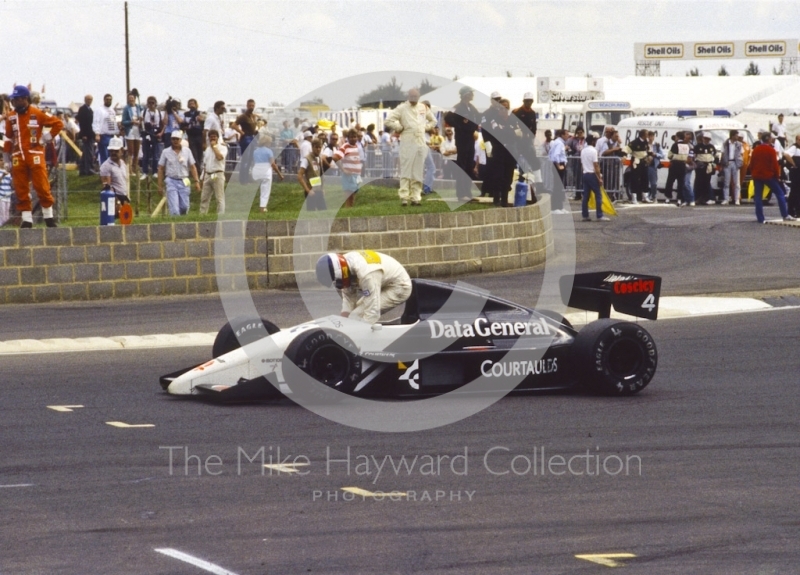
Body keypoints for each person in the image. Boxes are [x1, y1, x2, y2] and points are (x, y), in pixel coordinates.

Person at [3, 85, 63, 228]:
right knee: (21, 187)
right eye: (13, 100)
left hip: (35, 154)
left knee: (42, 185)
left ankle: (48, 217)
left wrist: (45, 138)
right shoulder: (11, 117)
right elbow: (8, 139)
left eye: (17, 100)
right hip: (18, 156)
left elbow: (58, 124)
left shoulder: (38, 113)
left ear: (25, 99)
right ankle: (27, 219)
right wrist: (6, 160)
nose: (15, 103)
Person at [315, 250, 412, 324]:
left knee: (357, 315)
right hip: (382, 281)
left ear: (340, 273)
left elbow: (372, 311)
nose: (338, 285)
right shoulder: (344, 265)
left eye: (337, 281)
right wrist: (342, 322)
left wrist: (359, 333)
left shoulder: (365, 274)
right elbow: (349, 300)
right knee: (354, 314)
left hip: (399, 286)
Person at [384, 88, 437, 207]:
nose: (413, 99)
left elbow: (433, 120)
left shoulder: (423, 107)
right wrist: (399, 127)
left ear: (419, 97)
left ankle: (416, 197)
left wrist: (425, 127)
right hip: (407, 140)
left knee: (418, 171)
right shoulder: (402, 108)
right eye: (411, 97)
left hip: (420, 140)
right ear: (408, 96)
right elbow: (388, 121)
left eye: (416, 97)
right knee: (406, 169)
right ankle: (404, 196)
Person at [444, 85, 480, 201]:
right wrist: (460, 126)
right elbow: (448, 117)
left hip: (470, 139)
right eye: (470, 93)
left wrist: (473, 126)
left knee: (469, 165)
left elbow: (478, 117)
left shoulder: (471, 107)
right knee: (462, 166)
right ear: (465, 94)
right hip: (462, 139)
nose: (472, 95)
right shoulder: (458, 107)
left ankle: (468, 192)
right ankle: (461, 193)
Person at [750, 131, 795, 223]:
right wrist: (777, 176)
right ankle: (784, 214)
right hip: (768, 176)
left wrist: (753, 173)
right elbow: (774, 165)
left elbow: (752, 163)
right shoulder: (771, 150)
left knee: (758, 196)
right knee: (780, 194)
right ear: (769, 139)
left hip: (757, 175)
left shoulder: (756, 149)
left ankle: (760, 218)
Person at [157, 130, 201, 216]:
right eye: (173, 139)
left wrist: (196, 181)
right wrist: (160, 185)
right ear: (171, 140)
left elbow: (192, 166)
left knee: (184, 207)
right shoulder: (165, 152)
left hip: (184, 180)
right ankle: (175, 224)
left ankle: (182, 222)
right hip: (171, 180)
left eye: (177, 139)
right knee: (174, 209)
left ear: (181, 140)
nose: (175, 141)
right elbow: (160, 168)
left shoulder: (187, 151)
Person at [251, 128, 284, 213]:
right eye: (269, 142)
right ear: (266, 142)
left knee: (260, 189)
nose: (270, 144)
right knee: (265, 191)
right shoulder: (269, 151)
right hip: (266, 171)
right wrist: (280, 174)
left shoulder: (255, 151)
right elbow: (273, 164)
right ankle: (262, 208)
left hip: (256, 171)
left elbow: (254, 162)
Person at [333, 129, 364, 208]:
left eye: (355, 137)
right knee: (348, 195)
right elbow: (335, 157)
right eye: (351, 137)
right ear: (348, 138)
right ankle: (347, 210)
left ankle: (351, 210)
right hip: (348, 175)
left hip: (356, 175)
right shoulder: (345, 146)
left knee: (353, 195)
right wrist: (343, 169)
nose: (353, 139)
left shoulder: (357, 146)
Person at [580, 134, 608, 222]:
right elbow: (595, 165)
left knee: (586, 196)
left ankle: (585, 215)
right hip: (592, 174)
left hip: (585, 173)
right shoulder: (594, 151)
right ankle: (599, 215)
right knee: (598, 195)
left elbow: (582, 164)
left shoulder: (583, 151)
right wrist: (599, 177)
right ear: (593, 141)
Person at [199, 129, 227, 215]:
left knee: (219, 198)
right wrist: (202, 178)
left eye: (214, 137)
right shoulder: (207, 150)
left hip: (217, 174)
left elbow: (219, 157)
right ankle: (202, 215)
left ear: (218, 138)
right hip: (208, 174)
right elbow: (205, 165)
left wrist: (214, 147)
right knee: (204, 198)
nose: (212, 138)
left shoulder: (223, 148)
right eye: (211, 137)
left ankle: (220, 215)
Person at [298, 138, 331, 211]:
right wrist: (307, 190)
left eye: (320, 147)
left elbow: (319, 174)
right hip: (311, 191)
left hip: (319, 190)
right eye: (316, 147)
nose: (318, 149)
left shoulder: (319, 158)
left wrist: (322, 188)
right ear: (312, 147)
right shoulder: (306, 159)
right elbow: (300, 175)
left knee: (323, 212)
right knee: (311, 213)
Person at [99, 136, 130, 207]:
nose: (113, 153)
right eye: (111, 150)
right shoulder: (106, 166)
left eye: (116, 151)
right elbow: (107, 187)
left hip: (124, 196)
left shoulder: (123, 163)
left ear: (121, 150)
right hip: (114, 198)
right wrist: (116, 202)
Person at [141, 96, 164, 180]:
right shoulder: (143, 112)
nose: (151, 105)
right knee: (145, 154)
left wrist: (161, 133)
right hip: (147, 133)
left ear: (155, 104)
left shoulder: (159, 113)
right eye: (149, 103)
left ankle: (155, 171)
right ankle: (145, 172)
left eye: (152, 103)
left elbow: (163, 124)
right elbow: (141, 123)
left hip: (156, 133)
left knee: (155, 154)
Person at [624, 129, 649, 204]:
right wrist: (624, 156)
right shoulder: (634, 142)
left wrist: (650, 156)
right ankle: (634, 198)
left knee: (645, 178)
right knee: (635, 179)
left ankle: (645, 196)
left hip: (643, 162)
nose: (647, 136)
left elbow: (647, 150)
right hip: (636, 162)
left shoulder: (645, 142)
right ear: (643, 135)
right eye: (647, 134)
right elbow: (626, 150)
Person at [121, 92, 143, 178]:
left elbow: (143, 115)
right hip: (130, 131)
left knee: (137, 151)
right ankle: (129, 170)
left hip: (138, 131)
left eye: (132, 98)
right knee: (131, 151)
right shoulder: (126, 109)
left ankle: (135, 169)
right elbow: (123, 121)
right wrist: (131, 122)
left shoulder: (139, 107)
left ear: (135, 99)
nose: (131, 100)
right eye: (129, 98)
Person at [92, 93, 118, 165]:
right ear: (104, 100)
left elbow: (113, 123)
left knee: (111, 155)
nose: (109, 101)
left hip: (111, 136)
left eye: (110, 100)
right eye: (107, 99)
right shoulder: (99, 110)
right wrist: (97, 133)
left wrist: (116, 132)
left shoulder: (112, 111)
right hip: (103, 135)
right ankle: (104, 172)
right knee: (104, 155)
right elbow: (96, 122)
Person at [547, 129, 569, 213]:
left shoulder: (558, 142)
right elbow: (555, 155)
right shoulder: (559, 143)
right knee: (557, 186)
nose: (568, 136)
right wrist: (558, 165)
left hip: (559, 164)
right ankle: (555, 207)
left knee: (559, 186)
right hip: (558, 164)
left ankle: (559, 207)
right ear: (562, 135)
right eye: (566, 134)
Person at [664, 132, 689, 206]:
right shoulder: (686, 145)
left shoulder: (675, 145)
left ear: (677, 137)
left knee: (670, 181)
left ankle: (668, 197)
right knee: (680, 182)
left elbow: (670, 156)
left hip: (675, 164)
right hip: (682, 165)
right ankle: (679, 199)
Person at [720, 129, 743, 206]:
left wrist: (739, 163)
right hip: (728, 163)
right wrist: (722, 163)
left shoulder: (739, 144)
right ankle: (726, 199)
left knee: (737, 182)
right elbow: (722, 154)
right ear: (732, 136)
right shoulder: (726, 143)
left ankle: (737, 199)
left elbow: (741, 154)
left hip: (735, 163)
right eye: (736, 135)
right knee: (726, 182)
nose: (737, 137)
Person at [694, 132, 717, 205]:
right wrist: (696, 163)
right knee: (699, 182)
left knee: (707, 182)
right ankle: (698, 198)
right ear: (702, 138)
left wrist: (714, 164)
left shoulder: (711, 147)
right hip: (700, 166)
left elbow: (716, 157)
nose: (706, 140)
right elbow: (693, 156)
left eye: (708, 139)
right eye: (705, 138)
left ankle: (706, 198)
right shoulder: (697, 147)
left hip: (708, 166)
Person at [76, 94, 95, 176]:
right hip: (86, 134)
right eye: (88, 99)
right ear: (85, 100)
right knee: (88, 153)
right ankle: (88, 169)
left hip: (90, 134)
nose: (89, 101)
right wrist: (83, 134)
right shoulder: (83, 109)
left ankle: (83, 170)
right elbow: (82, 123)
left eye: (90, 99)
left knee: (86, 153)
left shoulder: (90, 110)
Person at [183, 98, 205, 170]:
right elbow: (183, 124)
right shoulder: (186, 114)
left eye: (193, 103)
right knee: (194, 153)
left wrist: (202, 120)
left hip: (199, 135)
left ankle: (198, 169)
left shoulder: (200, 113)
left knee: (200, 153)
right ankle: (198, 171)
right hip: (191, 136)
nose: (191, 105)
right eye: (190, 104)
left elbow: (204, 124)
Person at [782, 134, 800, 218]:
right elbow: (786, 154)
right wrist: (794, 164)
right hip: (796, 172)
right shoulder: (794, 147)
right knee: (795, 191)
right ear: (796, 140)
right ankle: (792, 210)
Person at [646, 131, 664, 203]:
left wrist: (655, 154)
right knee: (645, 182)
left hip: (653, 165)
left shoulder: (656, 145)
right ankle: (646, 196)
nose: (651, 138)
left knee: (653, 183)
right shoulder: (645, 145)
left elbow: (662, 155)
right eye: (650, 136)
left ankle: (654, 196)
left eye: (652, 136)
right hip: (645, 164)